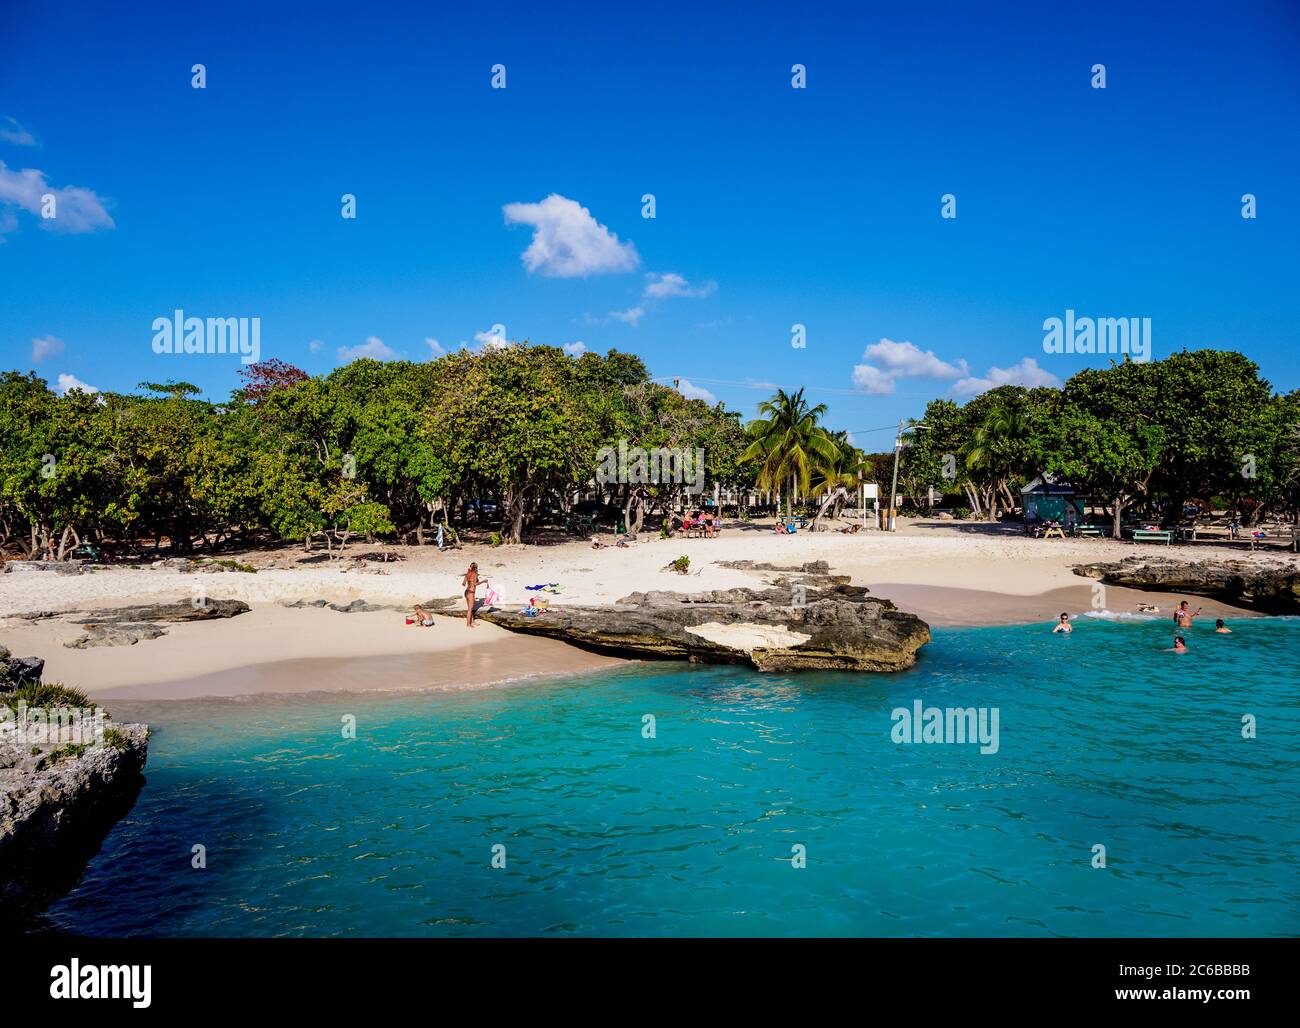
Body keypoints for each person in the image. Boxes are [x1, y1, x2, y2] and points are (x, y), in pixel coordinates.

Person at [462, 562, 481, 627]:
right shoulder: (474, 574)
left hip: (466, 592)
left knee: (470, 608)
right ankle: (468, 624)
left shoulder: (467, 573)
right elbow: (475, 584)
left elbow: (463, 584)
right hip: (471, 593)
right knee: (470, 609)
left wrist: (469, 581)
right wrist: (484, 581)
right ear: (475, 568)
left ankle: (472, 622)